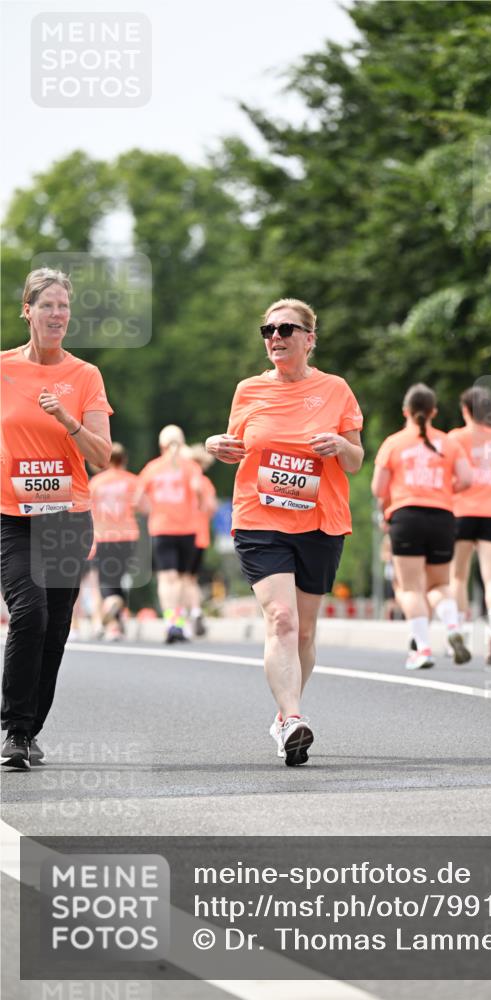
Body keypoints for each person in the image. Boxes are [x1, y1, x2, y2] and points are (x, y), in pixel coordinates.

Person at [206, 298, 363, 766]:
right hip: (260, 519)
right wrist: (215, 444)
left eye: (286, 329)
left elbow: (355, 460)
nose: (275, 337)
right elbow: (235, 444)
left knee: (306, 633)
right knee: (283, 620)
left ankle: (281, 718)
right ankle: (293, 719)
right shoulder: (248, 390)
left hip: (319, 521)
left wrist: (339, 445)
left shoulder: (335, 390)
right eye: (268, 330)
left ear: (310, 339)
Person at [1, 267, 112, 769]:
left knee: (55, 629)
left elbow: (103, 455)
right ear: (27, 310)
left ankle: (29, 730)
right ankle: (15, 729)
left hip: (68, 516)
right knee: (30, 613)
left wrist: (67, 421)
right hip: (13, 516)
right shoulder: (2, 369)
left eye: (64, 306)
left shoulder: (84, 376)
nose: (57, 314)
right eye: (46, 305)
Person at [371, 383, 472, 668]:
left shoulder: (394, 443)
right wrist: (443, 490)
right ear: (433, 412)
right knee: (439, 583)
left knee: (410, 587)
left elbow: (379, 488)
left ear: (406, 411)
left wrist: (387, 511)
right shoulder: (449, 443)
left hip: (406, 516)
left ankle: (423, 649)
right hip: (442, 516)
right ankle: (453, 627)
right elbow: (466, 478)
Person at [449, 386, 491, 665]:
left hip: (460, 510)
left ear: (466, 410)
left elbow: (449, 475)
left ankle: (460, 632)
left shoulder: (455, 438)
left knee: (458, 576)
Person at [138, 425, 203, 644]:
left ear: (161, 444)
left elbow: (137, 499)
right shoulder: (191, 466)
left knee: (167, 578)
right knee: (184, 579)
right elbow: (199, 491)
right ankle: (181, 625)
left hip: (162, 527)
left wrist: (154, 509)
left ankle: (171, 622)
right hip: (187, 527)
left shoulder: (153, 467)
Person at [89, 443, 143, 640]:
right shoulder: (132, 481)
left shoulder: (96, 482)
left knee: (106, 580)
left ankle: (110, 616)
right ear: (124, 460)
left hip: (104, 536)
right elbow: (143, 506)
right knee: (118, 577)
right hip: (128, 536)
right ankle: (118, 622)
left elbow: (87, 511)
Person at [183, 443, 218, 637]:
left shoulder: (183, 479)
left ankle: (185, 618)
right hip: (201, 534)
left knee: (179, 579)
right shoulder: (206, 482)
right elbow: (211, 508)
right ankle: (196, 611)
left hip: (183, 531)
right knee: (191, 578)